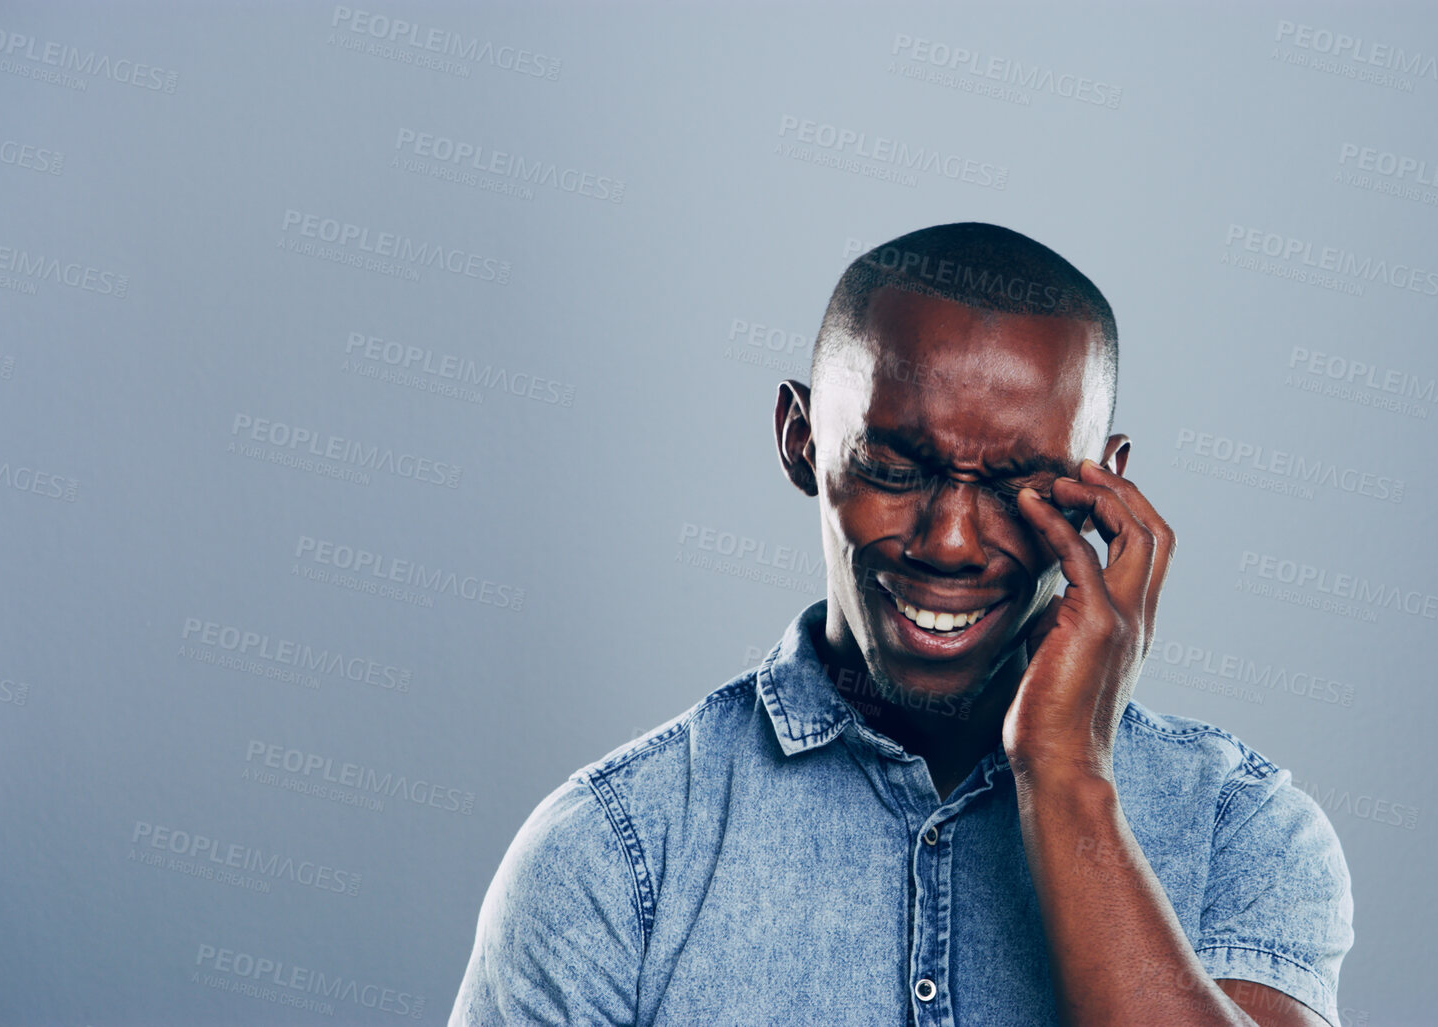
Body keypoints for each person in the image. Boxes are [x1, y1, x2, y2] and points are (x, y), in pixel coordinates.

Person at [450, 223, 1354, 1027]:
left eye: (1019, 488)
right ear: (800, 440)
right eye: (892, 467)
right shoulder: (615, 850)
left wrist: (1066, 771)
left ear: (1100, 491)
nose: (951, 542)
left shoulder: (1239, 828)